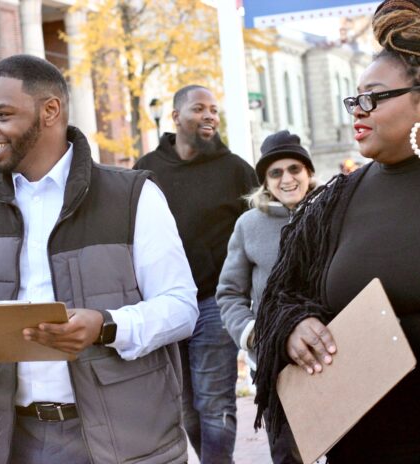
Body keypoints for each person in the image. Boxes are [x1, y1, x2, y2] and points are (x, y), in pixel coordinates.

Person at [0, 54, 198, 464]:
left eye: (2, 114)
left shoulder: (133, 197)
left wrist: (107, 326)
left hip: (128, 444)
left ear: (50, 111)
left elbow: (182, 308)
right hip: (15, 446)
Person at [254, 1, 420, 462]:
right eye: (354, 97)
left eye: (373, 96)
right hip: (361, 444)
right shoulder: (334, 200)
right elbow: (280, 297)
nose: (357, 109)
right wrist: (294, 327)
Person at [134, 85, 258, 463]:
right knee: (186, 407)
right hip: (167, 303)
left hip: (215, 304)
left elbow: (261, 224)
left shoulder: (236, 169)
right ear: (175, 117)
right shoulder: (146, 170)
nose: (209, 116)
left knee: (214, 400)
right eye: (199, 108)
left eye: (214, 110)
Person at [218, 130, 317, 464]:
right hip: (275, 365)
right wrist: (253, 335)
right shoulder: (249, 225)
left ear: (308, 173)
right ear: (265, 181)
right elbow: (229, 294)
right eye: (276, 173)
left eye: (294, 169)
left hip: (331, 352)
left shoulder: (330, 213)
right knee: (288, 452)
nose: (286, 178)